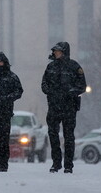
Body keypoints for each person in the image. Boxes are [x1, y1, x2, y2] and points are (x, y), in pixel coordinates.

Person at [41, 41, 86, 174]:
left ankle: (68, 165)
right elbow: (44, 84)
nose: (55, 53)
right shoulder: (50, 67)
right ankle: (56, 163)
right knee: (53, 135)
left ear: (64, 52)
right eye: (55, 51)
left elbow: (82, 86)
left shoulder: (74, 67)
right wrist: (50, 92)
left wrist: (69, 93)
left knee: (69, 136)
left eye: (58, 51)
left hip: (69, 107)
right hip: (54, 107)